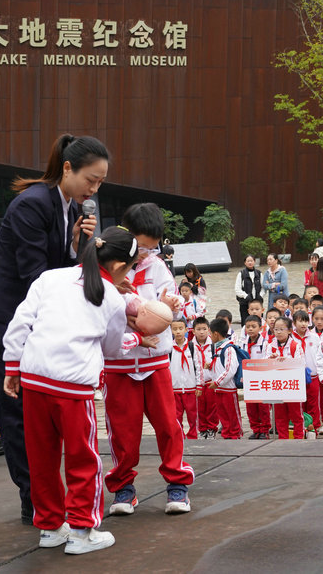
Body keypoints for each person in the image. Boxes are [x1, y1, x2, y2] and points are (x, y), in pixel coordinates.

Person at [0, 134, 106, 523]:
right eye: (91, 180)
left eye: (100, 183)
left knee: (37, 402)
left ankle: (46, 495)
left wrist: (77, 245)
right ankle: (34, 499)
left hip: (29, 309)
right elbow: (36, 277)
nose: (94, 189)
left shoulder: (66, 206)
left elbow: (55, 270)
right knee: (15, 401)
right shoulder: (33, 203)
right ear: (67, 168)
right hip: (2, 310)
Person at [2, 226, 136, 555]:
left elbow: (20, 322)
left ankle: (50, 526)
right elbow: (113, 348)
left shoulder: (51, 277)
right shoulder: (112, 297)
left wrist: (12, 365)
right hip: (73, 385)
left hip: (34, 377)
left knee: (41, 457)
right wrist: (137, 337)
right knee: (82, 458)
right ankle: (81, 530)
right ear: (120, 266)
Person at [103, 203, 194, 517]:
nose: (145, 254)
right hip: (119, 362)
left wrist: (170, 306)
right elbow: (97, 304)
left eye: (152, 248)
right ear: (126, 235)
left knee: (168, 425)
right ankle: (123, 488)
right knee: (122, 431)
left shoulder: (158, 268)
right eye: (141, 248)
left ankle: (177, 484)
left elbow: (170, 311)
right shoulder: (106, 265)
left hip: (154, 361)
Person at [208, 317, 243, 439]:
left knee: (232, 414)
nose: (210, 337)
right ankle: (227, 434)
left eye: (210, 334)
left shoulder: (228, 349)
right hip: (219, 389)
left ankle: (235, 434)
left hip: (228, 388)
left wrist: (217, 382)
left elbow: (230, 369)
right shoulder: (218, 348)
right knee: (223, 414)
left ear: (216, 334)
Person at [170, 319, 199, 440]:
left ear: (186, 330)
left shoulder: (192, 347)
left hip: (190, 387)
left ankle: (193, 434)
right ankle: (179, 435)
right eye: (175, 329)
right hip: (175, 388)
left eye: (180, 329)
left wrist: (199, 385)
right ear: (171, 331)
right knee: (176, 415)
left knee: (193, 414)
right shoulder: (169, 348)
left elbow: (198, 367)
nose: (178, 332)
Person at [234, 255, 263, 321]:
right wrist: (245, 296)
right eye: (248, 261)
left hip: (257, 302)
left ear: (254, 262)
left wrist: (260, 295)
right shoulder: (241, 273)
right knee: (245, 320)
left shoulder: (259, 273)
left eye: (251, 261)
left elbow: (263, 287)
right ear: (245, 262)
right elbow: (237, 289)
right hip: (245, 303)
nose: (250, 262)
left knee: (258, 321)